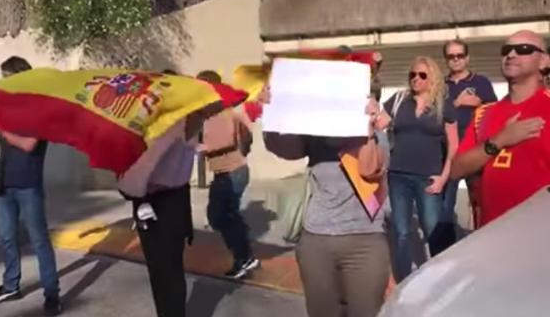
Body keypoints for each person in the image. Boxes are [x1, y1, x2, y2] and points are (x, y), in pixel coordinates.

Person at [262, 89, 390, 317]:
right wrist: (271, 112)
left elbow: (370, 170)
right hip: (316, 242)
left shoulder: (378, 130)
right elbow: (282, 149)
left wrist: (368, 129)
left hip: (365, 242)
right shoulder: (315, 130)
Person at [118, 101, 214, 317]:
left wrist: (127, 187)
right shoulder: (190, 122)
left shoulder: (166, 127)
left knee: (162, 274)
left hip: (156, 205)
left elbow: (139, 175)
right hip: (176, 203)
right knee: (172, 272)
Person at [0, 56, 61, 316]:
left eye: (7, 77)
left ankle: (52, 295)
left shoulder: (40, 109)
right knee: (6, 237)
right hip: (5, 186)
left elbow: (29, 145)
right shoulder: (8, 108)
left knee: (40, 242)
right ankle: (10, 285)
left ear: (20, 76)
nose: (4, 82)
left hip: (29, 186)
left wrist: (3, 130)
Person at [451, 30, 550, 227]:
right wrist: (499, 140)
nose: (511, 55)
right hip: (490, 235)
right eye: (506, 50)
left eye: (523, 49)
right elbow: (456, 169)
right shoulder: (483, 113)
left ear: (544, 61)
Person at [375, 56, 458, 282]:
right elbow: (378, 123)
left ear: (433, 78)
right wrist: (371, 110)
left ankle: (439, 280)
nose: (416, 79)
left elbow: (454, 146)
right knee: (401, 233)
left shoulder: (443, 104)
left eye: (422, 75)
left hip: (428, 177)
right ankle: (404, 280)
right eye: (413, 75)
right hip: (398, 176)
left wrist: (444, 177)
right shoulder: (399, 99)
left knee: (433, 231)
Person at [196, 70, 260, 279]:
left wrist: (202, 147)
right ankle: (244, 249)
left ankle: (244, 257)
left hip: (233, 171)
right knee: (223, 216)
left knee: (220, 216)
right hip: (227, 172)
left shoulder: (223, 110)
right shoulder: (210, 112)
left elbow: (229, 139)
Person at [436, 39, 497, 250]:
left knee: (481, 204)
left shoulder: (481, 82)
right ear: (446, 60)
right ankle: (445, 256)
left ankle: (486, 249)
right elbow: (433, 117)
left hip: (475, 152)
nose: (455, 60)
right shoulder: (440, 86)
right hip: (449, 154)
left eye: (459, 56)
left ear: (467, 58)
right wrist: (457, 103)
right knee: (445, 209)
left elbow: (495, 113)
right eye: (451, 57)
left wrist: (480, 103)